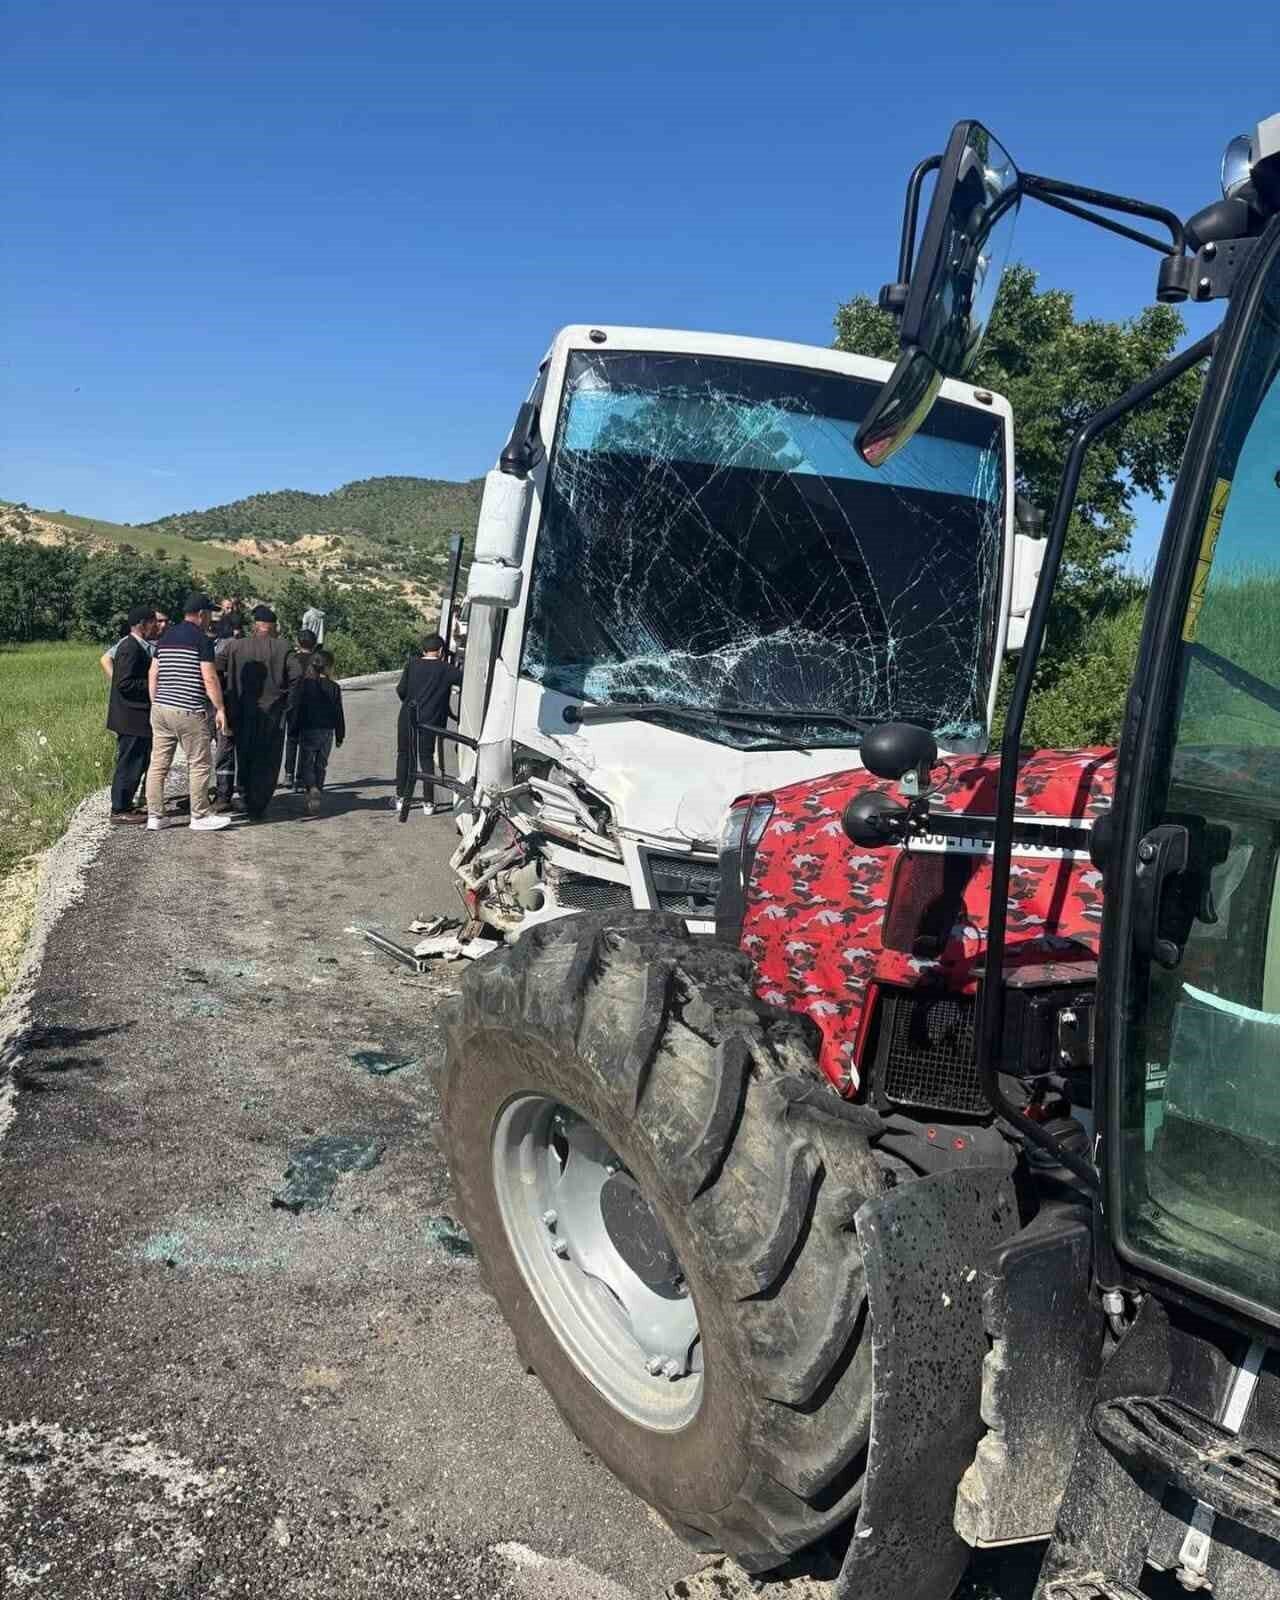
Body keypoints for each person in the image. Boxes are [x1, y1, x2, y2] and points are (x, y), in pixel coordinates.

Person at [145, 593, 233, 833]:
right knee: (199, 763)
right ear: (202, 614)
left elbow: (153, 673)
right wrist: (220, 708)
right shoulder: (201, 640)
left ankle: (155, 816)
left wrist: (157, 703)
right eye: (210, 614)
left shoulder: (166, 637)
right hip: (188, 710)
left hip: (161, 709)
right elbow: (209, 677)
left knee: (158, 764)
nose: (211, 620)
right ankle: (200, 815)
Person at [219, 604, 303, 819]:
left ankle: (246, 798)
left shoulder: (235, 647)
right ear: (271, 626)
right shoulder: (283, 647)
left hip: (240, 712)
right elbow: (297, 675)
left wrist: (225, 699)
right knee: (268, 759)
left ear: (256, 626)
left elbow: (214, 669)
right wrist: (289, 703)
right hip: (272, 714)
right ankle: (260, 804)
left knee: (245, 755)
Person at [395, 633, 462, 819]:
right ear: (441, 651)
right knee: (426, 758)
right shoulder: (447, 669)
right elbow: (465, 681)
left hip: (407, 716)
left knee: (404, 755)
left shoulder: (412, 664)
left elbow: (401, 690)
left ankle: (401, 798)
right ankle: (428, 802)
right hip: (430, 721)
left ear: (423, 650)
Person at [106, 605, 159, 823]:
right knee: (129, 763)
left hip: (136, 718)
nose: (156, 626)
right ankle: (119, 810)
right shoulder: (130, 647)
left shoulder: (139, 646)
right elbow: (124, 683)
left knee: (137, 762)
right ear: (142, 624)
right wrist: (153, 684)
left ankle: (127, 805)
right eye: (153, 622)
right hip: (131, 718)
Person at [288, 649, 345, 814]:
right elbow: (338, 712)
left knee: (307, 764)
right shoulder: (334, 687)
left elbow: (297, 708)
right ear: (328, 667)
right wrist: (340, 735)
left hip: (308, 729)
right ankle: (318, 790)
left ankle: (311, 789)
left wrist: (293, 729)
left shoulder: (304, 685)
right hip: (327, 731)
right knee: (321, 764)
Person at [282, 628, 318, 788]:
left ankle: (288, 774)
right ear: (314, 643)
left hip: (293, 703)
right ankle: (301, 777)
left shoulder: (292, 658)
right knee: (306, 742)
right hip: (311, 705)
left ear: (298, 642)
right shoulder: (317, 660)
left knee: (291, 739)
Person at [99, 603, 167, 679]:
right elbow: (105, 659)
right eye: (159, 621)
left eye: (166, 621)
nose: (163, 624)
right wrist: (117, 683)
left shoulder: (167, 639)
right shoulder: (132, 642)